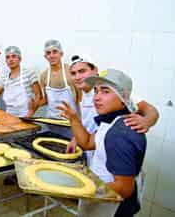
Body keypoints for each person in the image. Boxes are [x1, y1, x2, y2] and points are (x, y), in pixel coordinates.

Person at [58, 69, 146, 217]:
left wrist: (78, 187)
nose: (97, 98)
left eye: (105, 91)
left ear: (123, 97)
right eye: (96, 91)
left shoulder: (120, 133)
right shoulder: (112, 122)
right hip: (100, 197)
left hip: (113, 208)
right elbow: (87, 142)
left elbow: (124, 188)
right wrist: (73, 119)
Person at [67, 54, 159, 166]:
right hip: (93, 144)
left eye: (82, 71)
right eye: (73, 73)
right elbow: (86, 123)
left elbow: (150, 109)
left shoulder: (113, 89)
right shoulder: (80, 92)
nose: (77, 77)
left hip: (109, 152)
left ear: (95, 70)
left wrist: (146, 121)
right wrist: (76, 138)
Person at [0, 46, 43, 117]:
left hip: (25, 114)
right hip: (9, 115)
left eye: (13, 56)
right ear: (6, 61)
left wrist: (31, 112)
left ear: (20, 59)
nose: (10, 60)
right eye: (8, 57)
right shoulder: (4, 77)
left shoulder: (29, 73)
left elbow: (39, 95)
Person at [40, 39, 80, 118]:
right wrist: (34, 105)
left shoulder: (71, 71)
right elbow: (46, 100)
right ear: (45, 57)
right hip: (51, 120)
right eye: (48, 53)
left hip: (71, 121)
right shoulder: (44, 76)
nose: (51, 55)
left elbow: (80, 98)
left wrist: (81, 120)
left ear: (61, 54)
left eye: (55, 52)